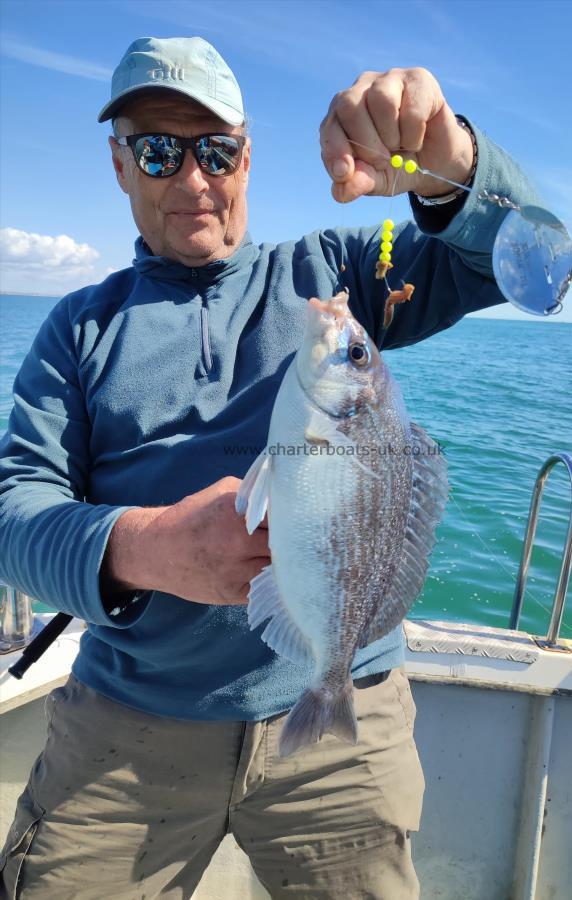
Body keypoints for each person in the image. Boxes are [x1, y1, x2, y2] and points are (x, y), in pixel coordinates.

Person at [0, 36, 538, 899]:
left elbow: (518, 264)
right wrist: (145, 546)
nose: (191, 178)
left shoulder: (340, 273)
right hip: (129, 723)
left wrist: (455, 171)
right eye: (158, 150)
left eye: (214, 150)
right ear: (119, 165)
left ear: (246, 158)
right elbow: (11, 509)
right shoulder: (78, 328)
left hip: (343, 717)